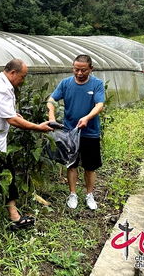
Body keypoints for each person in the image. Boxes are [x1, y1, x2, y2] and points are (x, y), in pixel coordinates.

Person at [0, 58, 52, 230]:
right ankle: (10, 217)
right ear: (13, 73)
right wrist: (38, 127)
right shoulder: (2, 87)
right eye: (22, 77)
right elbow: (11, 120)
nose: (23, 81)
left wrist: (14, 113)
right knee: (5, 177)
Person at [46, 54, 105, 210]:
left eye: (83, 70)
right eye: (76, 69)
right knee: (71, 164)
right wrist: (51, 115)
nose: (79, 73)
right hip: (70, 132)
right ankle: (73, 194)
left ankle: (89, 195)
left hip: (90, 132)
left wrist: (87, 117)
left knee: (90, 166)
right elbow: (51, 100)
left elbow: (99, 105)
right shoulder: (65, 84)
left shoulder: (97, 84)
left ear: (90, 69)